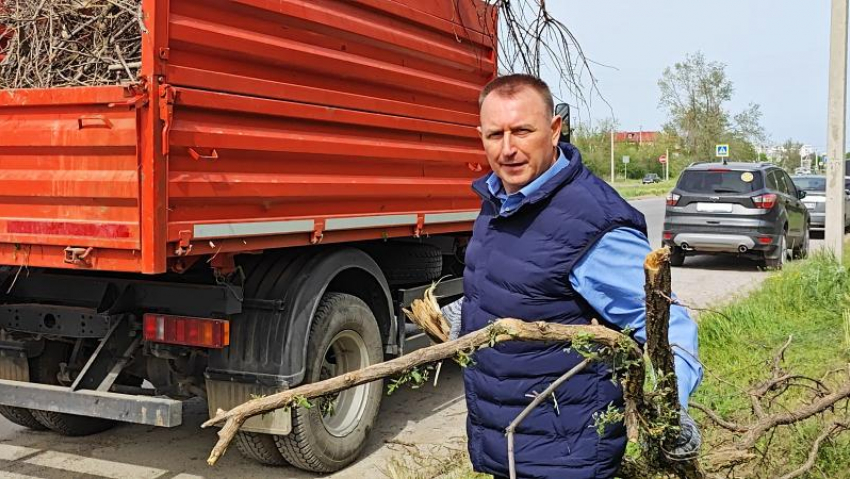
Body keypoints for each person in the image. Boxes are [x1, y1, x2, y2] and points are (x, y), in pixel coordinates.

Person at [441, 74, 703, 479]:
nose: (508, 149)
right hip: (510, 448)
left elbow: (667, 325)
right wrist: (467, 315)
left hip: (566, 459)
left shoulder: (592, 223)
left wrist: (673, 412)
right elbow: (515, 284)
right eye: (495, 134)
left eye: (522, 131)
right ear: (480, 136)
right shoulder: (499, 200)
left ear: (554, 130)